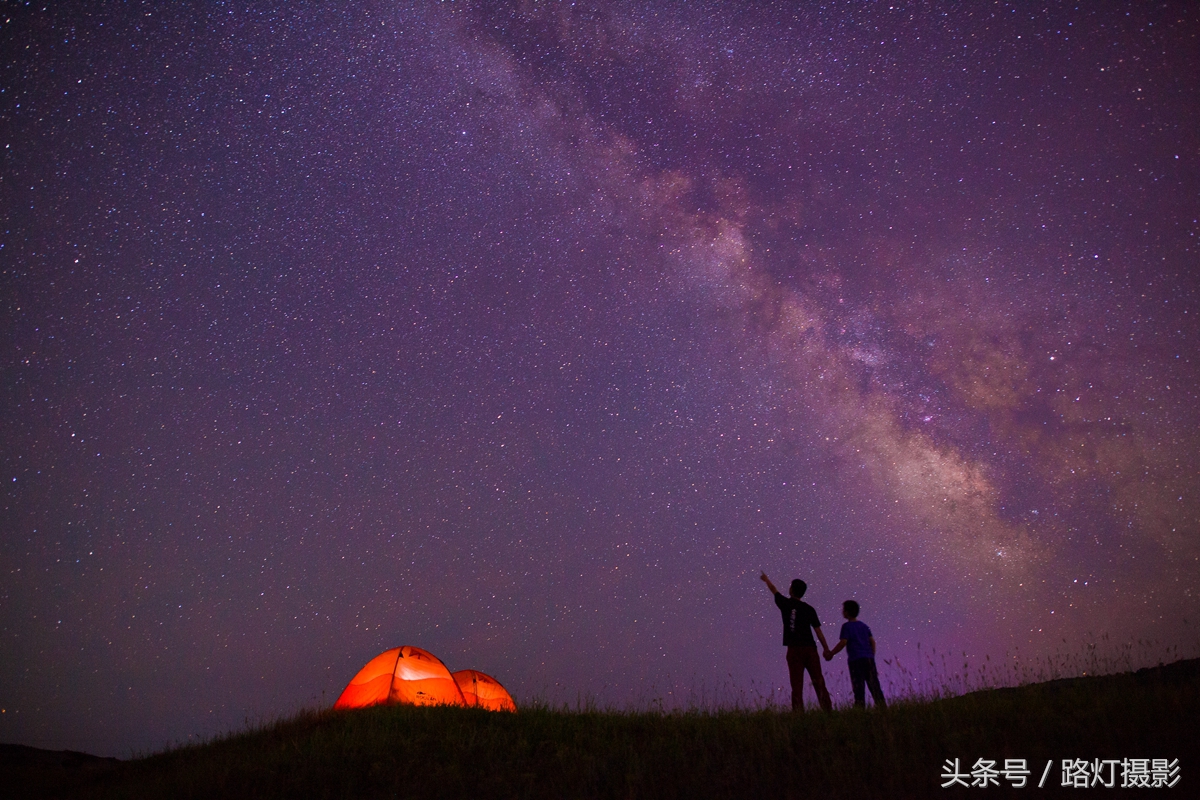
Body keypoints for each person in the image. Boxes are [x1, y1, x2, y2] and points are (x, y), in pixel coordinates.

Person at [759, 571, 833, 712]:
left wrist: (766, 579)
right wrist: (826, 649)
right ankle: (828, 711)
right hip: (810, 649)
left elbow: (774, 590)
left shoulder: (785, 604)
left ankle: (799, 714)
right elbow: (818, 632)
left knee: (796, 684)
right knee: (818, 681)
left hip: (794, 650)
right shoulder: (809, 609)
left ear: (791, 589)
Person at [825, 599, 887, 709]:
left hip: (856, 661)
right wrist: (871, 654)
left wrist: (832, 653)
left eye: (843, 610)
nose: (842, 612)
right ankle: (882, 708)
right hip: (868, 659)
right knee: (874, 686)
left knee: (858, 687)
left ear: (847, 612)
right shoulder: (864, 626)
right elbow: (872, 641)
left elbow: (843, 642)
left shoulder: (846, 626)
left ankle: (860, 709)